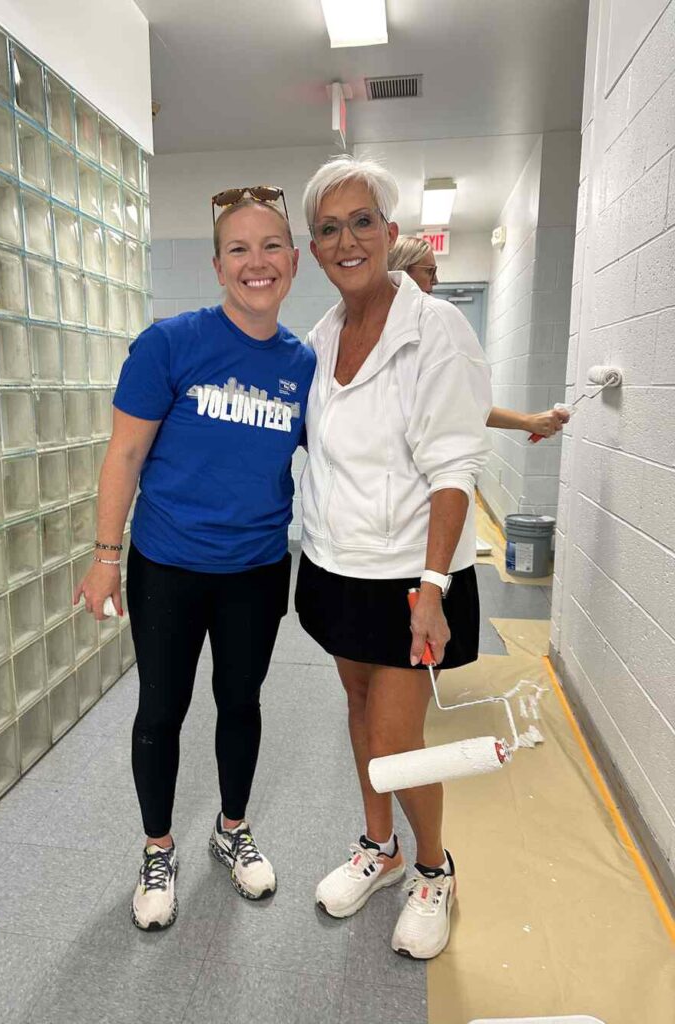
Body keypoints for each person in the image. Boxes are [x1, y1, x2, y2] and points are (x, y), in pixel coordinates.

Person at [74, 186, 316, 931]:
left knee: (240, 705)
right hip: (168, 566)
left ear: (294, 261)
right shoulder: (169, 344)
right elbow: (125, 453)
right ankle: (157, 850)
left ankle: (231, 831)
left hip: (256, 568)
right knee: (161, 711)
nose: (256, 262)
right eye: (238, 249)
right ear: (217, 265)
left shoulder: (303, 363)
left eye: (270, 246)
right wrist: (105, 555)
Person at [294, 155, 492, 960]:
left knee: (398, 738)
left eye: (362, 222)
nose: (348, 240)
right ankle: (378, 849)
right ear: (314, 248)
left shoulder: (436, 329)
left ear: (391, 232)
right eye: (329, 229)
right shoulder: (320, 337)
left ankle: (435, 869)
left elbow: (454, 469)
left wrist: (434, 587)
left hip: (412, 576)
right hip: (337, 565)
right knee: (356, 708)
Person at [388, 234, 570, 440]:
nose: (436, 280)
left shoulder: (436, 324)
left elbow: (465, 403)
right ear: (401, 271)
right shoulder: (358, 327)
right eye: (429, 271)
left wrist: (527, 421)